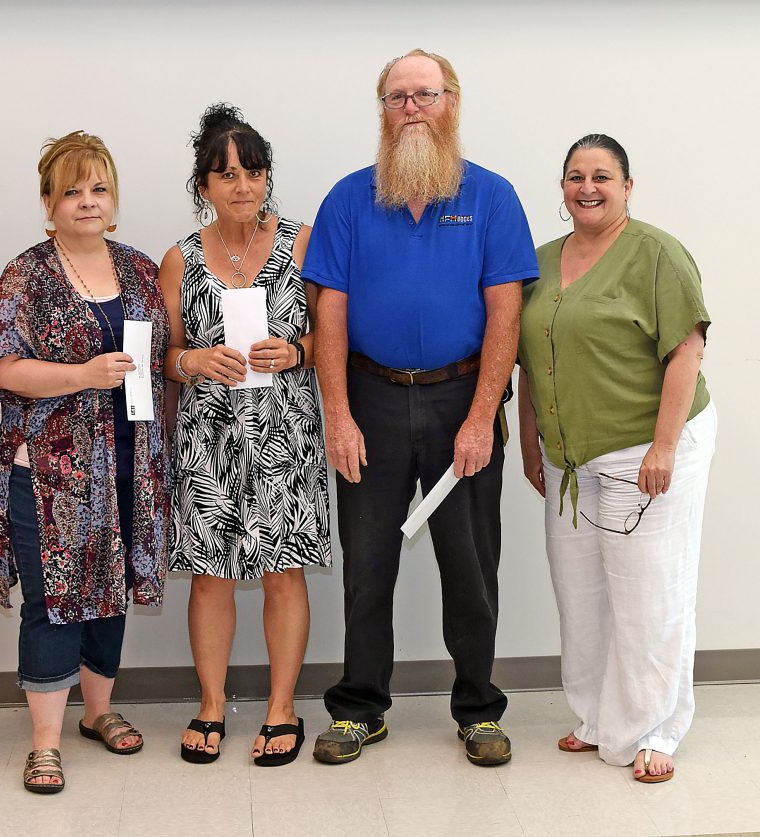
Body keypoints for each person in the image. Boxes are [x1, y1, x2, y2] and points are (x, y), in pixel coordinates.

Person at [303, 49, 538, 766]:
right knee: (368, 563)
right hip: (370, 399)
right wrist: (337, 415)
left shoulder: (491, 196)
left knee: (471, 565)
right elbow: (329, 312)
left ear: (451, 104)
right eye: (397, 96)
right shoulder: (348, 199)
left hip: (460, 399)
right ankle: (360, 708)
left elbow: (506, 314)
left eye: (424, 94)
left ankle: (477, 708)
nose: (411, 107)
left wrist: (480, 417)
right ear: (381, 110)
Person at [517, 134, 716, 784]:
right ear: (563, 189)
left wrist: (662, 446)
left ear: (628, 186)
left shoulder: (655, 252)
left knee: (648, 594)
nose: (588, 187)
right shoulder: (540, 262)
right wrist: (529, 438)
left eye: (602, 175)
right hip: (570, 459)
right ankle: (599, 717)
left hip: (646, 448)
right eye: (575, 176)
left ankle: (658, 726)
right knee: (581, 592)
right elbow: (527, 360)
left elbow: (686, 350)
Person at [0, 131, 170, 793]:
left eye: (98, 188)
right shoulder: (26, 273)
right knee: (53, 602)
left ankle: (97, 711)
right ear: (49, 202)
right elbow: (0, 365)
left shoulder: (142, 268)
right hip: (52, 473)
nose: (87, 201)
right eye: (72, 191)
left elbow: (164, 361)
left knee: (109, 590)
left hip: (128, 463)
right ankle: (44, 743)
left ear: (113, 198)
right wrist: (82, 373)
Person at [161, 104, 331, 767]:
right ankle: (210, 702)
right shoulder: (179, 258)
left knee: (285, 572)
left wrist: (299, 351)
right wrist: (194, 361)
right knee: (211, 577)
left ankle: (283, 706)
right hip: (208, 439)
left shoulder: (304, 242)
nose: (242, 186)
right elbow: (166, 356)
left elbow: (336, 336)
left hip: (286, 434)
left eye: (254, 172)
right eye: (226, 174)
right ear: (203, 184)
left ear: (267, 178)